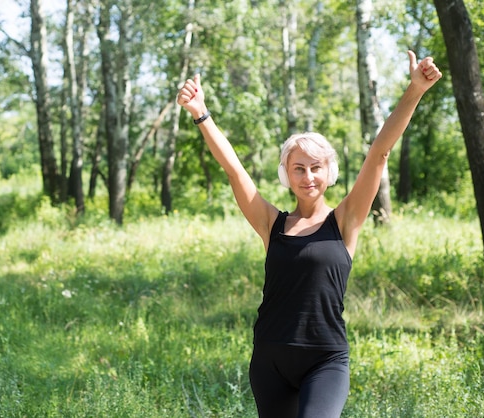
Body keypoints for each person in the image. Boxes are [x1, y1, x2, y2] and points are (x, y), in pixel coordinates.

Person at [176, 51, 442, 418]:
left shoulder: (345, 220)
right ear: (287, 174)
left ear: (329, 171)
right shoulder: (272, 223)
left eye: (316, 167)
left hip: (325, 359)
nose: (308, 177)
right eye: (298, 168)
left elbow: (379, 153)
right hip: (270, 360)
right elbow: (234, 170)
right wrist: (200, 114)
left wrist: (414, 90)